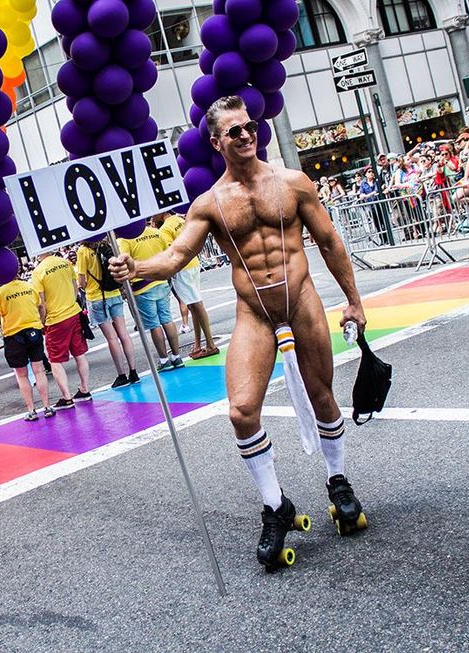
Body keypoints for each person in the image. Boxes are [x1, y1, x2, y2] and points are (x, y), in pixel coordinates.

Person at [110, 95, 368, 571]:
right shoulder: (209, 204)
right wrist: (135, 266)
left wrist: (353, 300)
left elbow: (329, 240)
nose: (247, 134)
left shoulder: (292, 183)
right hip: (255, 314)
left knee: (323, 397)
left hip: (303, 301)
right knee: (242, 411)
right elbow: (173, 258)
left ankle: (338, 480)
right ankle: (277, 507)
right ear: (216, 142)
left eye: (250, 126)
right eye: (235, 131)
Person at [117, 224, 185, 371]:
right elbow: (167, 253)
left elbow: (124, 264)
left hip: (142, 285)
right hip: (161, 280)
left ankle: (164, 359)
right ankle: (176, 356)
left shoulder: (125, 239)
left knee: (154, 324)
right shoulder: (155, 232)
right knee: (167, 319)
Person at [0, 278, 54, 420]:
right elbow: (41, 306)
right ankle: (47, 407)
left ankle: (32, 410)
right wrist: (41, 323)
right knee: (39, 370)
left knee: (22, 375)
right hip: (34, 331)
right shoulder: (30, 286)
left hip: (14, 336)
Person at [75, 240, 138, 387]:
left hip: (96, 298)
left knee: (112, 338)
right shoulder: (105, 245)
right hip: (114, 293)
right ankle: (133, 371)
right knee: (124, 334)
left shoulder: (82, 251)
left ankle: (121, 375)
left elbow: (82, 281)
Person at [31, 252, 90, 409]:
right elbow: (74, 287)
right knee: (79, 354)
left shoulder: (38, 271)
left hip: (56, 319)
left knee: (55, 360)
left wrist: (42, 322)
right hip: (73, 312)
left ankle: (67, 397)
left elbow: (41, 304)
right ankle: (85, 389)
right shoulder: (65, 263)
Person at [160, 212, 219, 360]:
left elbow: (170, 253)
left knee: (196, 305)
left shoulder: (165, 229)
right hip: (192, 263)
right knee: (193, 306)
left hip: (182, 268)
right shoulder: (181, 220)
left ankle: (210, 344)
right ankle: (198, 344)